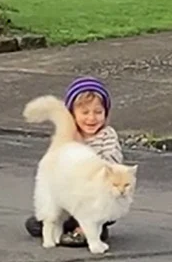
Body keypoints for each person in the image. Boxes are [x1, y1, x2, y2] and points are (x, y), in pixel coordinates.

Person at [24, 76, 123, 247]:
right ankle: (70, 226)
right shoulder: (68, 136)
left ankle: (87, 231)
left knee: (102, 209)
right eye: (85, 113)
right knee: (34, 224)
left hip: (95, 200)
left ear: (106, 113)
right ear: (72, 115)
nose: (91, 118)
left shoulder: (107, 136)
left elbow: (113, 165)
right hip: (70, 199)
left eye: (98, 112)